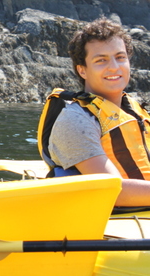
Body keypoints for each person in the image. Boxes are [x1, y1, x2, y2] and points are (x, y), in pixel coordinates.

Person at [39, 17, 150, 206]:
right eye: (101, 60)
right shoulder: (76, 120)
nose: (114, 67)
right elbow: (113, 191)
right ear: (82, 70)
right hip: (116, 217)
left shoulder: (133, 109)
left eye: (120, 57)